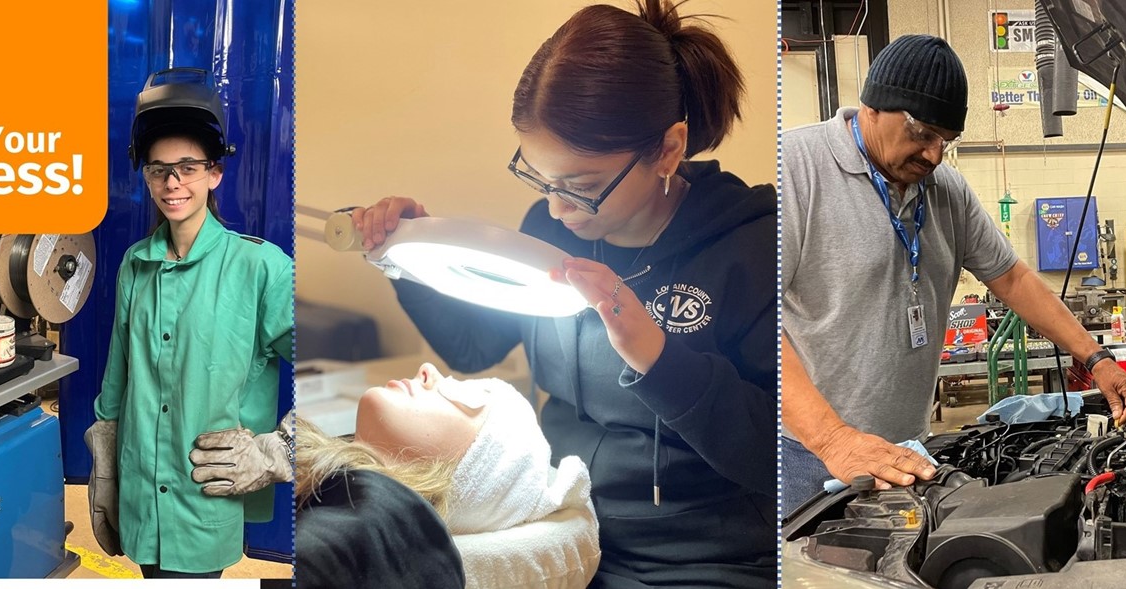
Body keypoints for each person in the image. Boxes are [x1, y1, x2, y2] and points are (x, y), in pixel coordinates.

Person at [348, 1, 777, 585]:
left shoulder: (752, 247)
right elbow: (474, 349)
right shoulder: (551, 226)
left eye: (582, 187)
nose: (556, 208)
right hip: (564, 535)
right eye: (540, 178)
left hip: (704, 561)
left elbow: (773, 456)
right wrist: (407, 255)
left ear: (669, 150)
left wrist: (657, 357)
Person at [780, 34, 1126, 514]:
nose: (932, 156)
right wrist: (833, 440)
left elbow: (1011, 278)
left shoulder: (945, 188)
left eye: (945, 142)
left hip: (911, 448)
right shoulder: (796, 169)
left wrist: (1097, 359)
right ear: (873, 106)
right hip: (812, 454)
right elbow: (754, 320)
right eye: (922, 133)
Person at [84, 69, 296, 578]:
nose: (172, 182)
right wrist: (107, 469)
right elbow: (118, 378)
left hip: (202, 501)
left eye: (187, 167)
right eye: (159, 170)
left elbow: (336, 372)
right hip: (139, 492)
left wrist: (281, 449)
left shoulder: (261, 268)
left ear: (214, 173)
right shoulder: (136, 263)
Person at [190, 363, 597, 588]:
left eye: (466, 396)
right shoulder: (352, 494)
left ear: (473, 477)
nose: (428, 369)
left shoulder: (382, 520)